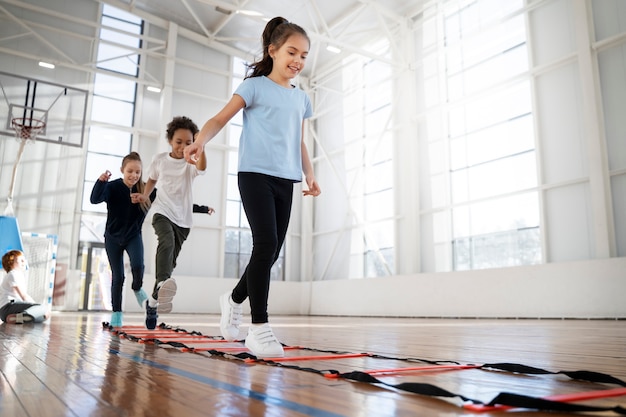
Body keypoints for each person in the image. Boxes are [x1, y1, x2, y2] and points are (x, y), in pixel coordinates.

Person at [183, 17, 321, 358]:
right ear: (272, 50)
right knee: (267, 243)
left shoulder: (301, 99)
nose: (298, 61)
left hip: (284, 179)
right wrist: (200, 141)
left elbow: (298, 142)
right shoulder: (254, 86)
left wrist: (310, 174)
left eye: (304, 55)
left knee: (270, 253)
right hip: (254, 174)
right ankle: (259, 329)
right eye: (292, 52)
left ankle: (231, 300)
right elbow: (219, 119)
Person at [137, 116, 207, 330]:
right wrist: (145, 195)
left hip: (184, 219)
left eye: (188, 143)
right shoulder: (160, 160)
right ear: (170, 140)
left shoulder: (191, 163)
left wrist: (201, 148)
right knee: (165, 242)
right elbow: (152, 179)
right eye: (179, 141)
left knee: (170, 265)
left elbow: (202, 168)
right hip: (162, 211)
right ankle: (159, 284)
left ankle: (153, 302)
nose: (183, 146)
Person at [90, 152, 156, 328]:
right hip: (112, 238)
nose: (134, 175)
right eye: (130, 171)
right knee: (118, 277)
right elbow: (94, 199)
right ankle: (117, 313)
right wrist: (101, 181)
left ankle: (137, 288)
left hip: (133, 236)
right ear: (122, 170)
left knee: (138, 266)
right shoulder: (112, 187)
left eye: (138, 172)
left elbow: (172, 203)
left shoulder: (146, 190)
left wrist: (201, 209)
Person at [0, 250, 49, 324]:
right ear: (11, 263)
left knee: (44, 316)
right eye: (21, 260)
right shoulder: (13, 274)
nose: (24, 262)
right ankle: (23, 315)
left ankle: (17, 318)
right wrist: (37, 306)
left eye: (24, 259)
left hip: (7, 312)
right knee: (43, 308)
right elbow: (23, 296)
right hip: (8, 307)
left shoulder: (17, 275)